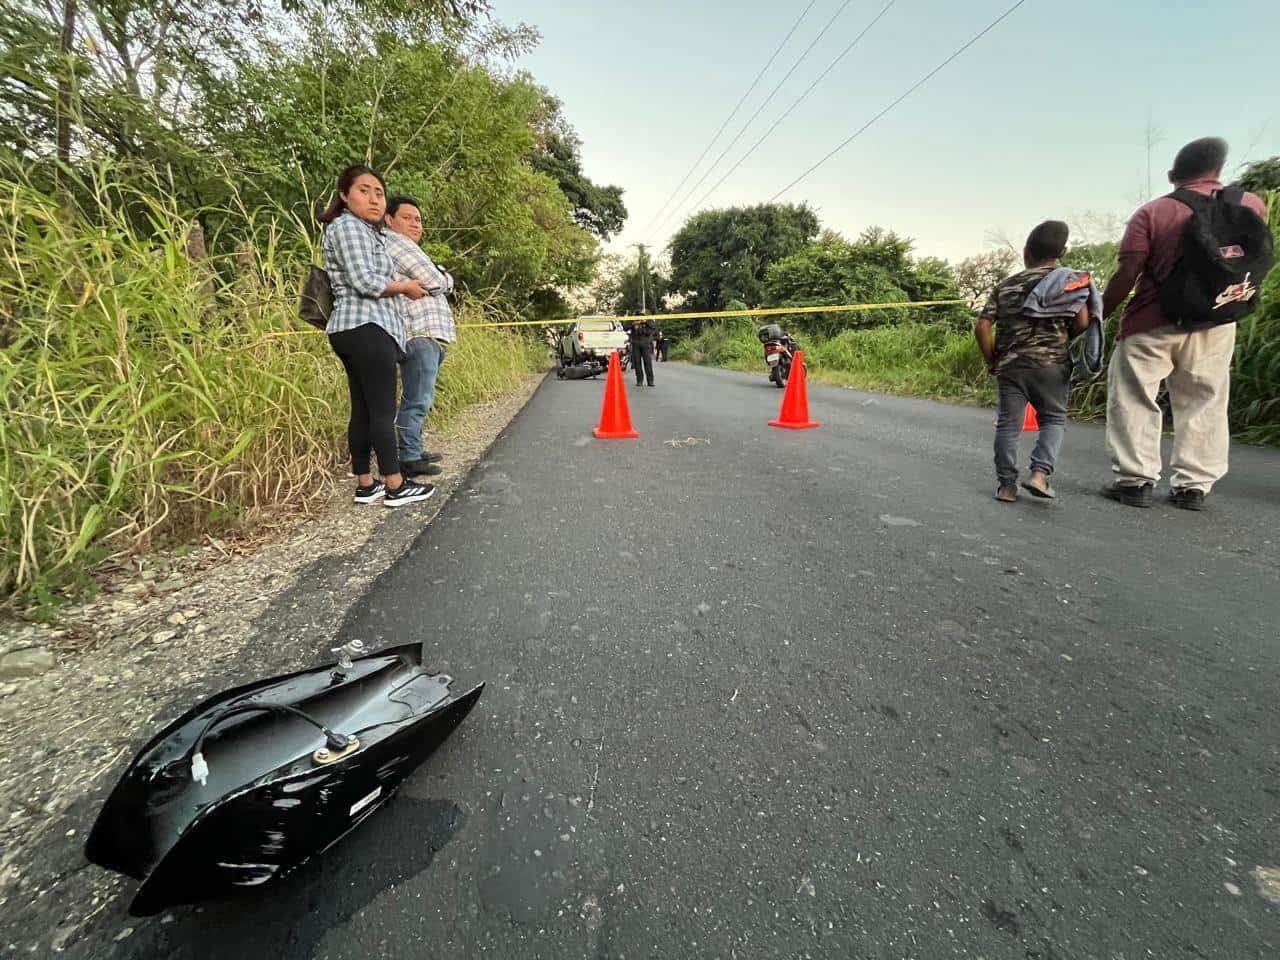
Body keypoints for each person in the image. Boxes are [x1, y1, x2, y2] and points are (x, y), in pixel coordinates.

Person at [1100, 137, 1269, 511]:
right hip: (1217, 319)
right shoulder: (1252, 205)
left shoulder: (1153, 212)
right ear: (1219, 170)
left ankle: (1134, 480)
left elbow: (1127, 272)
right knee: (1204, 400)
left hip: (1151, 321)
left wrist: (1100, 317)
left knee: (1134, 397)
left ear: (1173, 175)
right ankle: (1193, 486)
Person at [319, 164, 434, 508]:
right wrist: (406, 287)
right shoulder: (348, 227)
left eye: (379, 193)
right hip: (368, 327)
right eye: (363, 190)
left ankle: (366, 484)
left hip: (352, 329)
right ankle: (396, 485)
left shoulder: (366, 232)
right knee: (383, 409)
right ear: (344, 195)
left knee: (364, 410)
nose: (373, 199)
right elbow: (364, 281)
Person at [975, 221, 1093, 503]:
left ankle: (1006, 486)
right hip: (1053, 364)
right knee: (1052, 419)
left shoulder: (1006, 285)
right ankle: (1040, 475)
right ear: (1062, 251)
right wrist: (1062, 339)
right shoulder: (1069, 282)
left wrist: (992, 359)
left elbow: (982, 327)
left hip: (1012, 365)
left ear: (1026, 252)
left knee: (1008, 424)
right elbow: (1083, 321)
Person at [383, 196, 456, 478]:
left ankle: (414, 448)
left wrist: (438, 277)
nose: (415, 224)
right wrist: (443, 276)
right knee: (417, 398)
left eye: (418, 219)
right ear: (390, 220)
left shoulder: (408, 247)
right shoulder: (398, 243)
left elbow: (433, 282)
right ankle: (409, 458)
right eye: (407, 217)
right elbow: (438, 281)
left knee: (420, 396)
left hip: (427, 335)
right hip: (419, 333)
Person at [624, 317, 657, 386]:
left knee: (648, 363)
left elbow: (653, 327)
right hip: (635, 343)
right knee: (637, 363)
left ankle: (650, 381)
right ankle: (639, 380)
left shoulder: (648, 320)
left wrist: (645, 321)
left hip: (646, 343)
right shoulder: (633, 320)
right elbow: (625, 327)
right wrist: (634, 323)